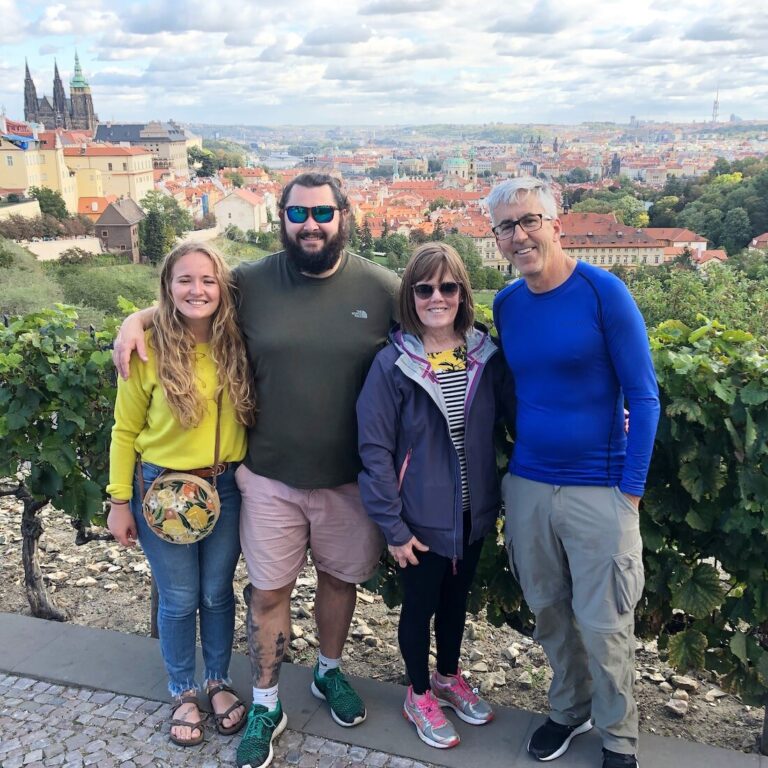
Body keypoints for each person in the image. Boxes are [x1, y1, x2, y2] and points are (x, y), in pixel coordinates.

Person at [112, 173, 399, 768]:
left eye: (323, 213)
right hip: (267, 479)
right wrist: (134, 321)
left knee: (339, 583)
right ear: (282, 220)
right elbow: (190, 295)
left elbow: (437, 323)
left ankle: (328, 671)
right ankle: (266, 702)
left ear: (345, 215)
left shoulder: (383, 288)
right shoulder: (253, 281)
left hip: (350, 480)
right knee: (268, 591)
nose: (311, 224)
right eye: (298, 215)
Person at [487, 178, 660, 768]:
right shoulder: (507, 304)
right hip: (531, 482)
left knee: (606, 624)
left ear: (554, 223)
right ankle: (568, 709)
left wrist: (630, 494)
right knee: (550, 611)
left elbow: (645, 395)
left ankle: (619, 739)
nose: (520, 235)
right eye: (506, 227)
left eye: (529, 220)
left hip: (600, 485)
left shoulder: (603, 293)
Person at [357, 243, 513, 749]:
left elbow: (521, 414)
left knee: (455, 604)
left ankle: (447, 675)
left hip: (472, 512)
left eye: (448, 287)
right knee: (419, 607)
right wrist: (393, 529)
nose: (437, 297)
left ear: (463, 295)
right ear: (411, 296)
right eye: (424, 288)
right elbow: (375, 450)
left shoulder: (485, 356)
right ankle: (419, 692)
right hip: (418, 520)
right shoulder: (391, 365)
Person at [107, 242, 256, 748]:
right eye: (185, 280)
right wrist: (118, 501)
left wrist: (137, 314)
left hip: (223, 488)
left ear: (223, 288)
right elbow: (124, 431)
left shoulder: (237, 339)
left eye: (208, 280)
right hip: (162, 490)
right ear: (167, 287)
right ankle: (183, 689)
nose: (197, 290)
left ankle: (216, 680)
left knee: (216, 594)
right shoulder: (146, 348)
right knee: (177, 598)